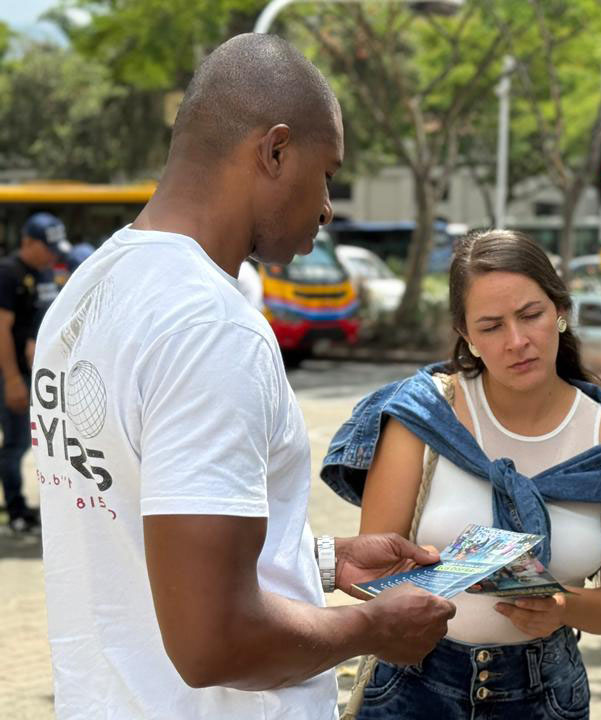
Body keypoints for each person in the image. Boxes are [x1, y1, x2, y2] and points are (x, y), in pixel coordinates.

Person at [35, 34, 454, 719]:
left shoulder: (90, 290)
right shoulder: (211, 327)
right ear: (276, 151)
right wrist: (373, 629)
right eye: (327, 173)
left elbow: (144, 533)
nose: (327, 206)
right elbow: (215, 644)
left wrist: (319, 562)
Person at [321, 229, 601, 719]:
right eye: (491, 326)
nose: (517, 342)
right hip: (414, 685)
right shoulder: (423, 415)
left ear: (561, 311)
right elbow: (375, 575)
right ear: (467, 335)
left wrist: (562, 607)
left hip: (545, 694)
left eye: (531, 315)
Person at [0, 212, 70, 534]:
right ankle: (16, 510)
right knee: (15, 444)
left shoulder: (43, 273)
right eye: (47, 248)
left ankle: (22, 508)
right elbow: (2, 327)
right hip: (10, 372)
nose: (52, 255)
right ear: (27, 242)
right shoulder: (8, 272)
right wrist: (13, 379)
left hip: (32, 373)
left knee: (30, 442)